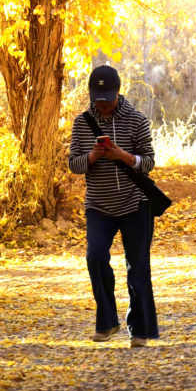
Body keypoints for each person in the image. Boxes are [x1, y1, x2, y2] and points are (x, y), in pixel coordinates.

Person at [67, 63, 159, 344]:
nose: (103, 106)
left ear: (119, 94)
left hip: (135, 203)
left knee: (138, 266)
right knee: (95, 257)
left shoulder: (136, 119)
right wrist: (93, 156)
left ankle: (141, 330)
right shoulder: (82, 124)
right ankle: (106, 322)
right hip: (98, 205)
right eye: (98, 101)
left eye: (108, 101)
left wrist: (125, 157)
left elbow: (149, 162)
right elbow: (74, 165)